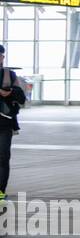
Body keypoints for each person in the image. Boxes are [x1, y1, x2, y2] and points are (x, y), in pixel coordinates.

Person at [0, 45, 26, 201]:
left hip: (5, 123)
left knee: (3, 158)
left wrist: (10, 92)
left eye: (1, 56)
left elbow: (22, 98)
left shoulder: (10, 75)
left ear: (3, 57)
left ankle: (0, 192)